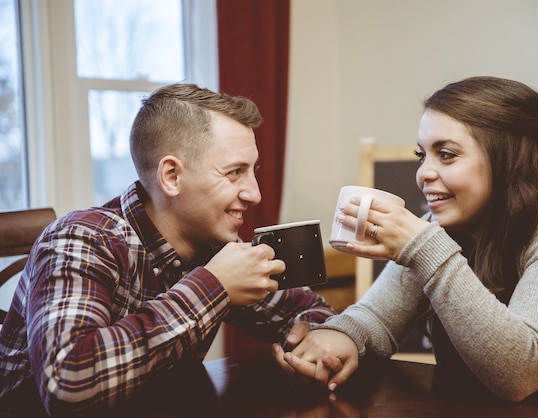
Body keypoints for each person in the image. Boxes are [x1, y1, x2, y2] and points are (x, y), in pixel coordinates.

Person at [273, 76, 538, 402]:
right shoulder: (445, 228)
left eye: (446, 154)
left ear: (509, 159)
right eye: (421, 155)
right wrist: (338, 338)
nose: (423, 173)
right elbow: (378, 319)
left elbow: (520, 373)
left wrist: (423, 246)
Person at [0, 83, 335, 415]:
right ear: (172, 176)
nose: (255, 193)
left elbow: (313, 312)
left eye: (253, 171)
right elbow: (69, 386)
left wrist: (310, 345)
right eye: (235, 172)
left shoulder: (213, 246)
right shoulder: (81, 239)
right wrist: (214, 287)